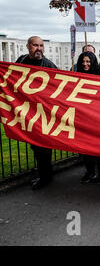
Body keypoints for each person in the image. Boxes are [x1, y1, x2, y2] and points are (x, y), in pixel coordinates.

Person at [16, 36, 58, 190]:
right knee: (35, 145)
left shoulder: (49, 65)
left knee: (43, 147)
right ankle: (45, 174)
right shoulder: (21, 61)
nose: (39, 48)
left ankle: (45, 177)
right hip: (27, 112)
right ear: (28, 46)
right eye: (35, 45)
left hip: (43, 113)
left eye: (41, 45)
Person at [75, 52, 100, 184]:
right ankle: (89, 172)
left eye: (88, 61)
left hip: (99, 118)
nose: (85, 64)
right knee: (85, 148)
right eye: (83, 61)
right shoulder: (76, 75)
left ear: (93, 62)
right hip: (83, 117)